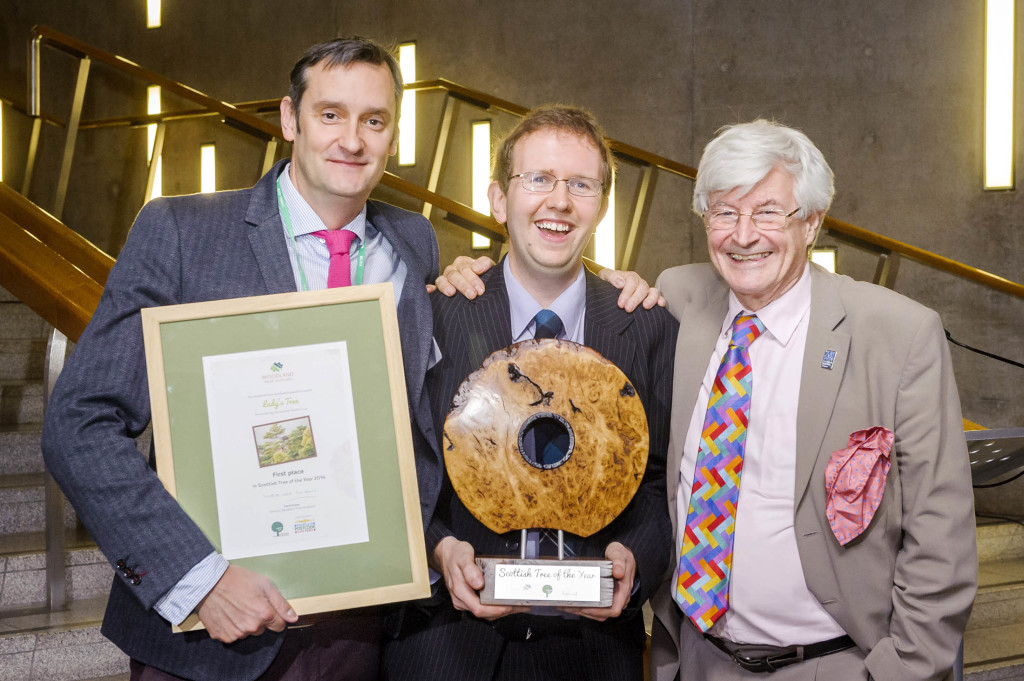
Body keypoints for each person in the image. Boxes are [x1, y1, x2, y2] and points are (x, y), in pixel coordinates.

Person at [41, 38, 658, 681]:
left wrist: (603, 284)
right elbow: (79, 423)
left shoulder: (412, 242)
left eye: (374, 120)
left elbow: (425, 424)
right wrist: (199, 580)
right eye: (330, 114)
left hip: (360, 631)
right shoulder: (182, 232)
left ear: (392, 134)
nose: (352, 140)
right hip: (209, 638)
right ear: (289, 118)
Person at [648, 120, 977, 680]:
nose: (743, 234)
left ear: (813, 222)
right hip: (698, 659)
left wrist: (901, 671)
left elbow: (939, 535)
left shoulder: (897, 334)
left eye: (769, 212)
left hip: (836, 664)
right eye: (724, 212)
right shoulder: (679, 298)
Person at [383, 105, 677, 681]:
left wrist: (636, 559)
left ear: (601, 204)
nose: (559, 201)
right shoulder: (433, 315)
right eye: (538, 179)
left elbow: (665, 478)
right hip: (447, 646)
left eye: (580, 184)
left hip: (592, 652)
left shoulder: (644, 326)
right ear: (499, 200)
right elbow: (394, 466)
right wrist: (439, 550)